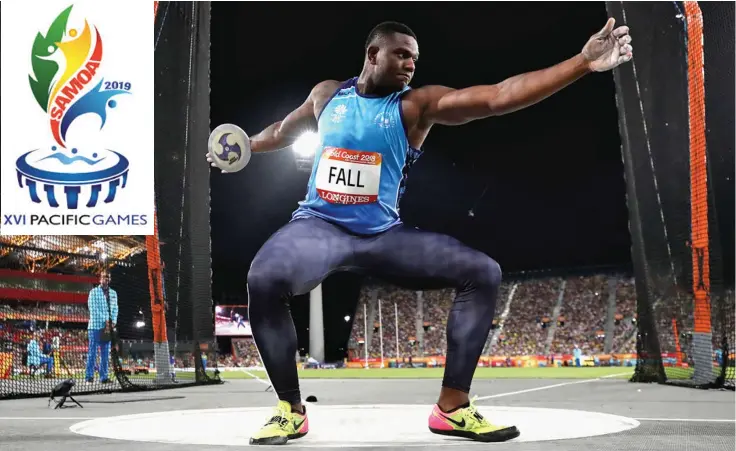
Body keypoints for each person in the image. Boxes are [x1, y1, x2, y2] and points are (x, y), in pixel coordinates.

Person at [208, 19, 633, 445]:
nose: (411, 64)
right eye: (402, 54)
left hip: (383, 235)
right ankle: (289, 411)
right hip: (319, 227)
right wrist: (245, 144)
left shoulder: (415, 107)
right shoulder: (327, 95)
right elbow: (284, 131)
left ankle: (452, 408)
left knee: (482, 272)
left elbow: (499, 97)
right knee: (263, 278)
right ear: (373, 54)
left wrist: (582, 63)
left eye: (415, 57)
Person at [85, 270, 118, 383]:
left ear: (110, 279)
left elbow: (115, 309)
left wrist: (113, 321)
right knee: (92, 351)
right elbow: (93, 308)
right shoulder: (93, 292)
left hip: (107, 328)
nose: (106, 279)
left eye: (108, 277)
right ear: (100, 279)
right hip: (95, 326)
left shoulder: (113, 293)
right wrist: (106, 320)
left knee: (105, 352)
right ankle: (89, 376)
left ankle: (103, 377)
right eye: (104, 277)